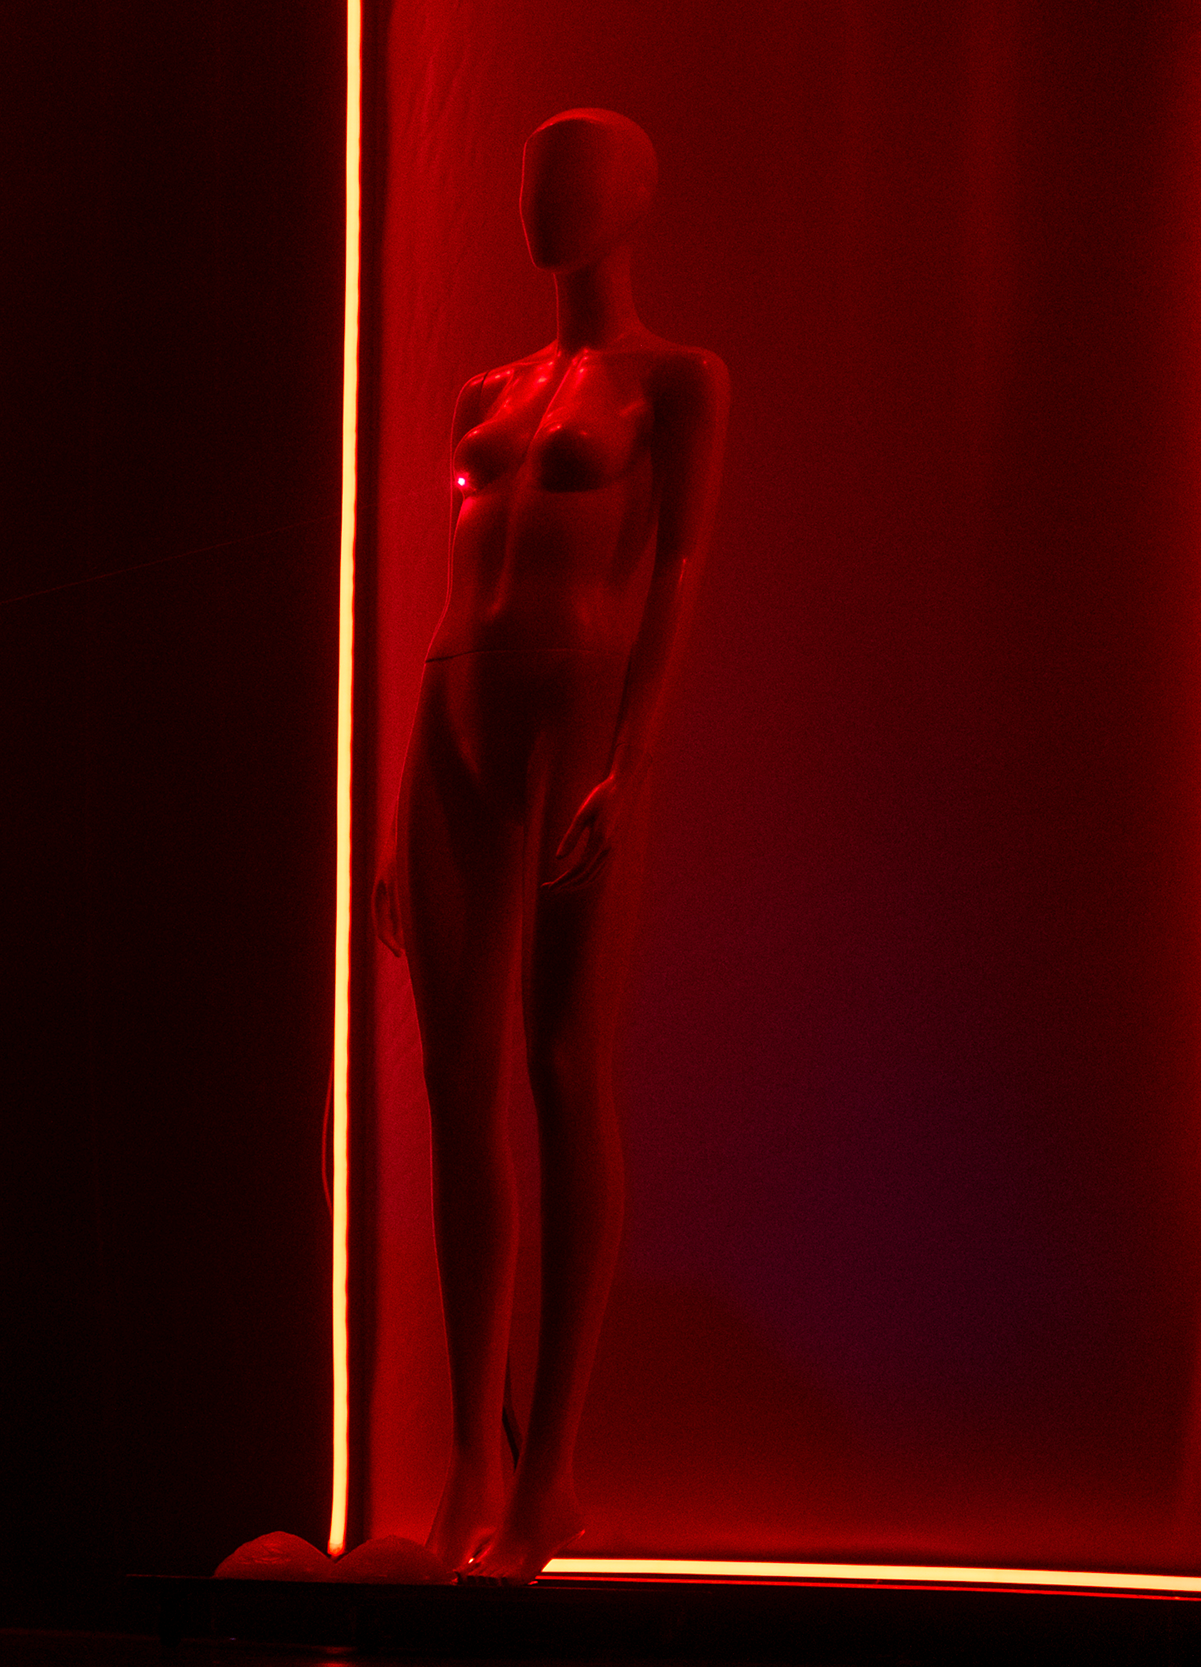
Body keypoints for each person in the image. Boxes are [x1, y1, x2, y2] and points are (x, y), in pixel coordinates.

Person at [375, 111, 728, 1585]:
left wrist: (632, 762)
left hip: (578, 706)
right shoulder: (489, 389)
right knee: (457, 1083)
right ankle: (474, 1448)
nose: (543, 202)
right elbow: (453, 571)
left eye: (572, 177)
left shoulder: (676, 381)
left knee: (564, 1062)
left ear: (634, 195)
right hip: (456, 705)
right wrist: (404, 789)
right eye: (530, 177)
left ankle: (553, 1466)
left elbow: (680, 569)